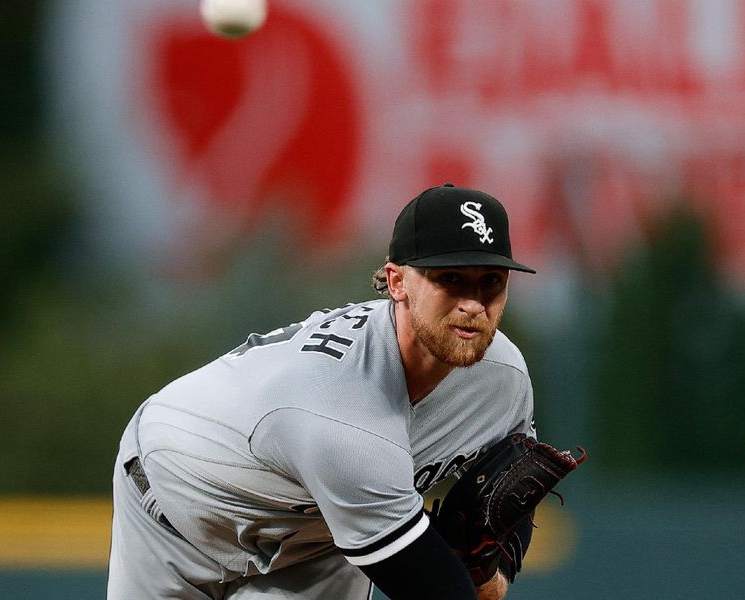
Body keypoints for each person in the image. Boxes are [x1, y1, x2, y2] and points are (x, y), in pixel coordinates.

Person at [107, 183, 538, 600]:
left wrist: (494, 575)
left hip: (314, 537)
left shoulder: (502, 379)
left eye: (491, 282)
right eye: (451, 279)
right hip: (175, 510)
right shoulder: (341, 408)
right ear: (397, 282)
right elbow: (433, 586)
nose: (474, 303)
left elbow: (516, 480)